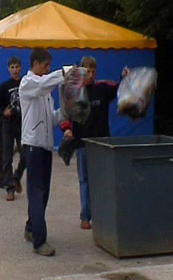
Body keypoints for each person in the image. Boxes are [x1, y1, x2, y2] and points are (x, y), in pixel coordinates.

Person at [61, 56, 126, 230]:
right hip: (82, 143)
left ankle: (102, 215)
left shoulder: (103, 88)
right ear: (81, 71)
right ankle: (85, 216)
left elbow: (121, 88)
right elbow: (65, 113)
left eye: (92, 71)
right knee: (85, 180)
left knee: (103, 180)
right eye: (86, 71)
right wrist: (67, 129)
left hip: (102, 143)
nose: (89, 74)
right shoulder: (74, 91)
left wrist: (124, 77)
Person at [19, 48, 66, 256]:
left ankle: (31, 227)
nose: (47, 70)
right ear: (35, 64)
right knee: (37, 193)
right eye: (45, 65)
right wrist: (64, 73)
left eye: (49, 66)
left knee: (43, 192)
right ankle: (40, 241)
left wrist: (66, 112)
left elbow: (51, 119)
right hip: (33, 145)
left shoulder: (45, 93)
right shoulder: (28, 83)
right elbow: (43, 84)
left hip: (45, 146)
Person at [0, 56, 26, 201]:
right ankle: (10, 187)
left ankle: (16, 177)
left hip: (22, 124)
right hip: (8, 125)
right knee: (7, 157)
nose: (15, 70)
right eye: (12, 67)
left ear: (21, 68)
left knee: (26, 155)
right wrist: (3, 112)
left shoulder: (26, 83)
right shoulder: (4, 86)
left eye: (17, 67)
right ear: (8, 69)